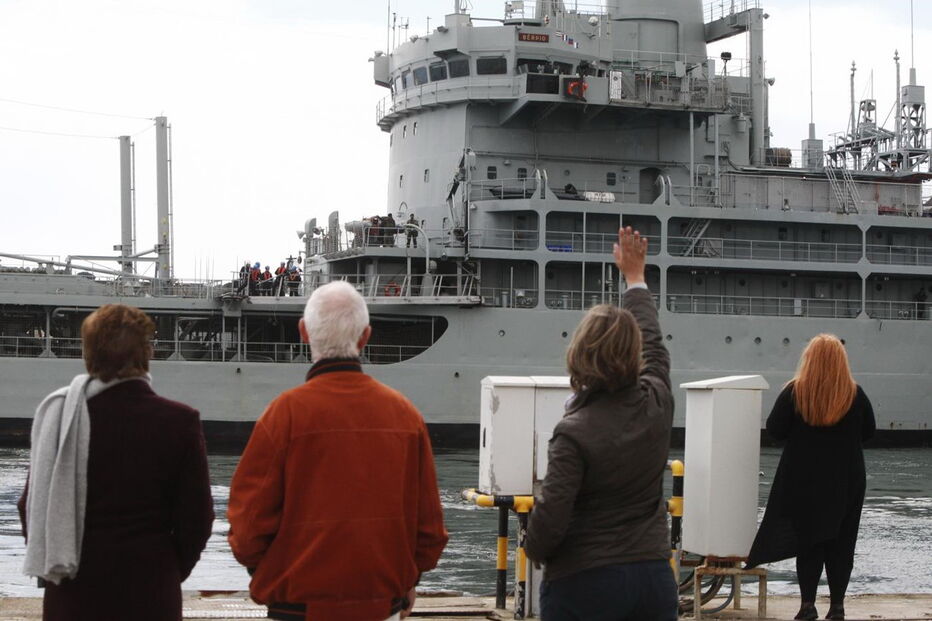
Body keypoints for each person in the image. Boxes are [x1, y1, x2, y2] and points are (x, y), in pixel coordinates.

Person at [227, 281, 448, 620]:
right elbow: (429, 528)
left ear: (304, 332)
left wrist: (265, 571)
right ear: (365, 337)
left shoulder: (283, 414)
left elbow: (248, 524)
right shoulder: (406, 415)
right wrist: (408, 578)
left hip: (297, 607)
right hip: (380, 603)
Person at [17, 304, 214, 621]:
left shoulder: (59, 416)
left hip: (72, 590)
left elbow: (29, 505)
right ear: (147, 352)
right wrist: (167, 571)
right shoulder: (180, 421)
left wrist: (56, 560)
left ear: (87, 352)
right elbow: (198, 520)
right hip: (151, 591)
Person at [526, 227, 676, 621]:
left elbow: (552, 517)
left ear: (579, 352)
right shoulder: (657, 402)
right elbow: (654, 344)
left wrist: (533, 547)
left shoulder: (573, 432)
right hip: (653, 578)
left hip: (584, 581)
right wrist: (635, 277)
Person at [746, 335, 875, 621]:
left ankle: (807, 605)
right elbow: (869, 432)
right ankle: (837, 606)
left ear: (809, 359)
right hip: (846, 480)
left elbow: (775, 430)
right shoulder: (855, 394)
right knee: (842, 543)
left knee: (810, 541)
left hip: (804, 479)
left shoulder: (795, 392)